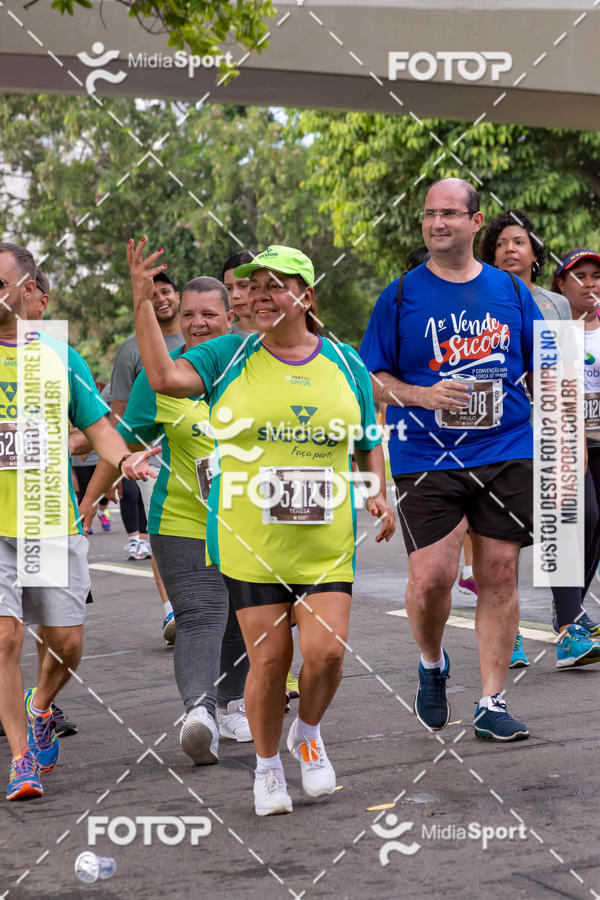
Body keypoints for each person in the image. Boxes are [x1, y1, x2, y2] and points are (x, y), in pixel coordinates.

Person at [127, 239, 395, 815]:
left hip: (324, 539)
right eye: (256, 285)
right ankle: (270, 768)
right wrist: (142, 303)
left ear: (306, 294)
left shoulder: (345, 361)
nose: (262, 295)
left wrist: (379, 493)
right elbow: (163, 376)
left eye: (277, 284)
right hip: (252, 537)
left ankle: (309, 733)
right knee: (269, 662)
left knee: (325, 656)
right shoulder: (228, 354)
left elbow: (369, 438)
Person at [360, 178, 542, 743]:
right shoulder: (398, 297)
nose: (437, 223)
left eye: (448, 214)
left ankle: (491, 699)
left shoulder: (511, 294)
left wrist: (566, 448)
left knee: (500, 573)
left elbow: (544, 368)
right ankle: (433, 662)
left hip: (505, 448)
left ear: (474, 221)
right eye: (429, 215)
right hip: (426, 456)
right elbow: (373, 380)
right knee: (433, 578)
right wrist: (420, 395)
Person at [0, 242, 157, 800]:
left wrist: (126, 458)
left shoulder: (56, 355)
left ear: (28, 289)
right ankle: (21, 760)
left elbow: (96, 426)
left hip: (46, 515)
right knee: (5, 634)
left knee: (65, 643)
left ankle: (38, 706)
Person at [80, 276, 252, 764]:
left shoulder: (257, 364)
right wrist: (89, 504)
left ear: (230, 319)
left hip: (252, 524)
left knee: (244, 615)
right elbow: (120, 442)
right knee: (200, 614)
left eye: (210, 315)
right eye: (190, 315)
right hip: (181, 519)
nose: (197, 323)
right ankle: (199, 714)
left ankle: (231, 701)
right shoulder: (160, 376)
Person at [482, 215, 600, 668]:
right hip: (499, 433)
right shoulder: (480, 299)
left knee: (578, 516)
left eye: (520, 242)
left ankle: (567, 621)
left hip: (553, 426)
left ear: (535, 254)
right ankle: (507, 632)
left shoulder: (553, 304)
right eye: (501, 244)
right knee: (501, 538)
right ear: (490, 255)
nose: (511, 249)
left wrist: (575, 435)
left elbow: (565, 372)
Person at [109, 270, 182, 643]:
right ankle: (172, 609)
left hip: (199, 449)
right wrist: (119, 463)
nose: (161, 299)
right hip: (151, 457)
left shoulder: (202, 337)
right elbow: (120, 416)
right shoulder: (132, 349)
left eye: (166, 291)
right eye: (152, 294)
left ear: (179, 295)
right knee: (164, 531)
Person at [541, 248, 600, 666]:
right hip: (561, 439)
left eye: (597, 276)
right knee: (574, 520)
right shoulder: (555, 329)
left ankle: (571, 610)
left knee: (596, 524)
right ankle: (569, 619)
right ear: (561, 285)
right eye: (580, 276)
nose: (591, 283)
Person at [222, 250, 257, 337]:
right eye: (228, 288)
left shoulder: (291, 336)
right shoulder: (221, 339)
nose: (234, 295)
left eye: (244, 285)